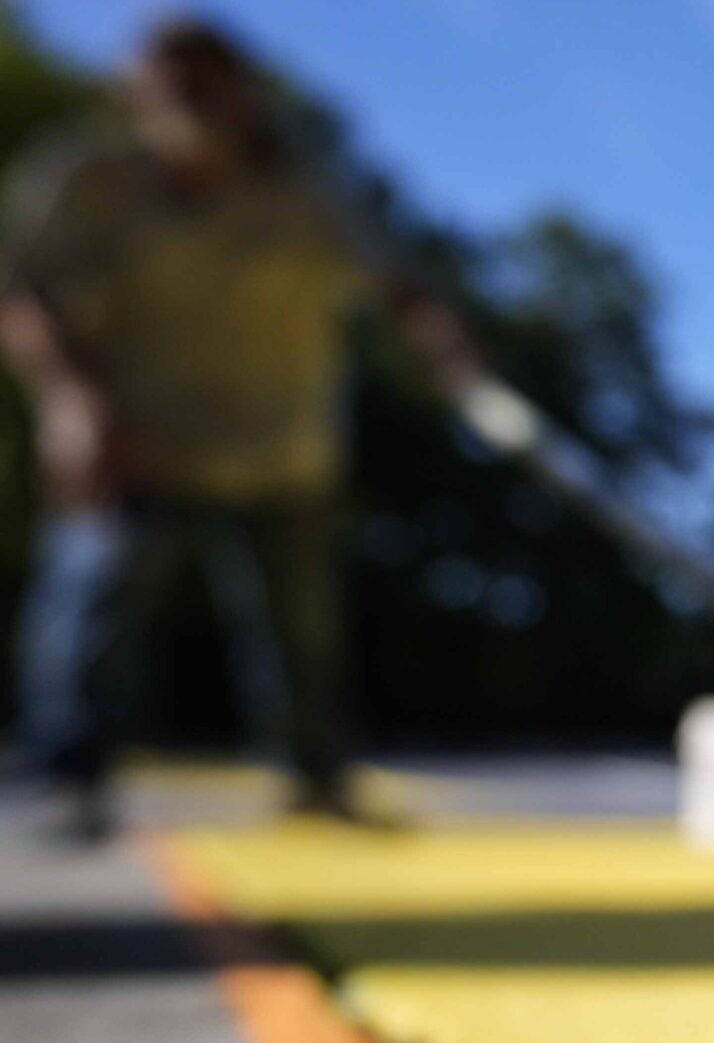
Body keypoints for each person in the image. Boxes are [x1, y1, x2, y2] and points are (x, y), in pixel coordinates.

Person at [2, 16, 470, 841]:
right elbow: (24, 294)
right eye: (165, 79)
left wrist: (441, 346)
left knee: (301, 629)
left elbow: (399, 282)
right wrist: (73, 404)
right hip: (139, 442)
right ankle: (67, 778)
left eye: (205, 77)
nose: (185, 95)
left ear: (244, 92)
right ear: (132, 95)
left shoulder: (309, 190)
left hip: (280, 445)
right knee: (92, 594)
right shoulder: (92, 182)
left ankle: (317, 777)